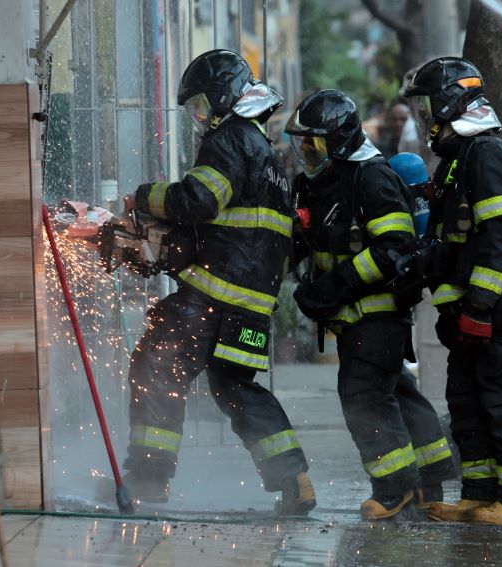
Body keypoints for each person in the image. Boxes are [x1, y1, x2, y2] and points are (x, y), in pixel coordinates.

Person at [118, 50, 315, 515]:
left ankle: (148, 479)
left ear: (225, 98)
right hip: (252, 308)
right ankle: (295, 479)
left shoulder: (230, 138)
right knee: (236, 388)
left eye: (203, 106)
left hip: (212, 296)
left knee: (156, 367)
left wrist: (144, 196)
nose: (201, 118)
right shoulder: (270, 157)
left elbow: (199, 199)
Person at [285, 89, 455, 521]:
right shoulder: (319, 183)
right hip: (353, 317)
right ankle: (429, 480)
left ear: (338, 141)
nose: (306, 152)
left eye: (314, 143)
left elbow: (393, 247)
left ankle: (394, 488)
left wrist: (334, 286)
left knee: (362, 395)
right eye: (303, 143)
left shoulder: (372, 178)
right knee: (396, 391)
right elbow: (306, 239)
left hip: (379, 314)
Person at [405, 57, 502, 525]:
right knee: (468, 403)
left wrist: (481, 305)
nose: (425, 116)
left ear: (450, 102)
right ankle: (479, 493)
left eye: (428, 105)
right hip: (475, 312)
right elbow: (451, 244)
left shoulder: (485, 155)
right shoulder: (456, 161)